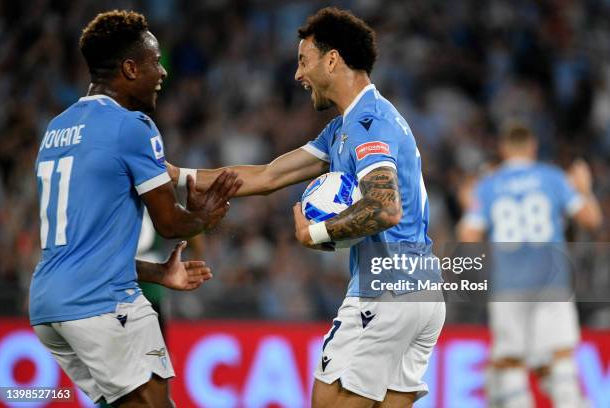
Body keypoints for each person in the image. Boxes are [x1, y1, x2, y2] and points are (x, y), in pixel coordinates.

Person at [169, 7, 444, 408]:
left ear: (331, 59)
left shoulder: (369, 122)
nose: (297, 75)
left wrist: (316, 232)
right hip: (422, 293)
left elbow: (385, 208)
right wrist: (178, 175)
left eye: (303, 61)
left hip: (385, 295)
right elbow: (267, 176)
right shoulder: (344, 128)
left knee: (327, 400)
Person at [30, 10, 241, 408]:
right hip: (103, 303)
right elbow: (168, 223)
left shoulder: (56, 128)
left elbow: (82, 248)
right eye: (154, 62)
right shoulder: (133, 126)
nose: (162, 72)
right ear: (129, 68)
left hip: (48, 304)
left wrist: (159, 272)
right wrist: (205, 217)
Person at [457, 123, 602, 408]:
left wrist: (468, 203)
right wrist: (585, 190)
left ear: (503, 149)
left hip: (508, 284)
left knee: (511, 361)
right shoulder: (552, 178)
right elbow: (591, 220)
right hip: (552, 280)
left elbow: (468, 236)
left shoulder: (489, 185)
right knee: (559, 356)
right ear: (532, 146)